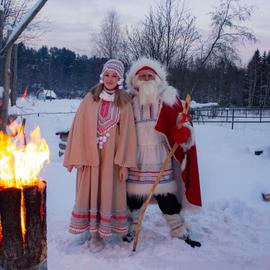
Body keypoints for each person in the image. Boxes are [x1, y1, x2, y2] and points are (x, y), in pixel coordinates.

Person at [124, 57, 202, 248]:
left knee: (166, 197)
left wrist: (184, 132)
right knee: (133, 198)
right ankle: (129, 230)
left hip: (161, 156)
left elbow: (182, 121)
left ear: (158, 78)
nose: (146, 78)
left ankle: (179, 231)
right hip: (136, 157)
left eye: (150, 75)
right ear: (135, 79)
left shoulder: (168, 98)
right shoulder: (128, 101)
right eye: (142, 76)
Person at [63, 59, 137, 250]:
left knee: (107, 192)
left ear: (120, 78)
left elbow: (128, 134)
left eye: (114, 75)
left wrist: (123, 165)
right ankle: (93, 233)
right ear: (101, 76)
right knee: (90, 192)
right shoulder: (91, 98)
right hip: (90, 156)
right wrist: (77, 156)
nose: (110, 79)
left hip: (112, 159)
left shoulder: (125, 103)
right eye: (107, 74)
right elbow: (78, 127)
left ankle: (103, 233)